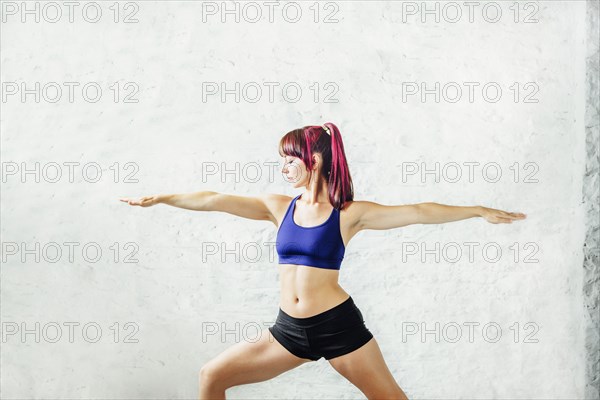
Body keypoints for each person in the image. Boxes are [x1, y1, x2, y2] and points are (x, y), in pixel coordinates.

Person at [120, 122, 526, 400]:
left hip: (338, 328)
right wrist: (161, 198)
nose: (283, 167)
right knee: (211, 376)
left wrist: (475, 209)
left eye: (289, 159)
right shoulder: (277, 207)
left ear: (313, 159)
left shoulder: (348, 213)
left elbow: (419, 210)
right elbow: (212, 199)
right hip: (287, 331)